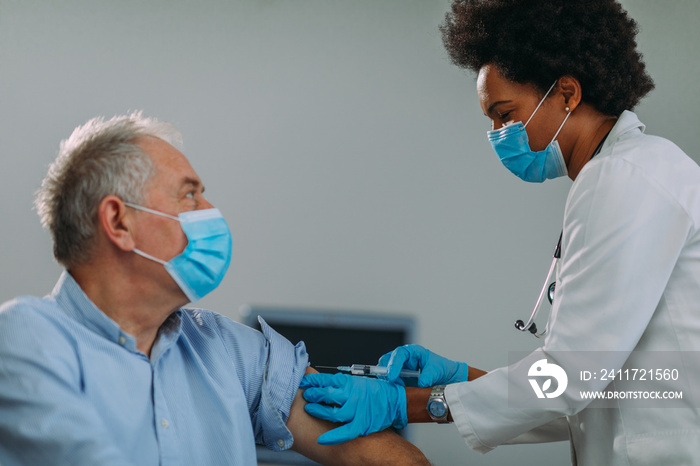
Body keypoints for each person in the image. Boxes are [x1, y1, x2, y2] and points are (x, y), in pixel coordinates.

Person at [300, 0, 700, 464]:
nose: (497, 134)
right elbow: (590, 395)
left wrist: (410, 403)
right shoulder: (636, 172)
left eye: (506, 114)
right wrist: (458, 381)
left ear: (567, 93)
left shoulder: (625, 177)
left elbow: (570, 379)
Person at [0, 112, 429, 466]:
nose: (211, 212)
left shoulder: (225, 349)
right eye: (190, 196)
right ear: (118, 222)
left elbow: (370, 453)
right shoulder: (26, 337)